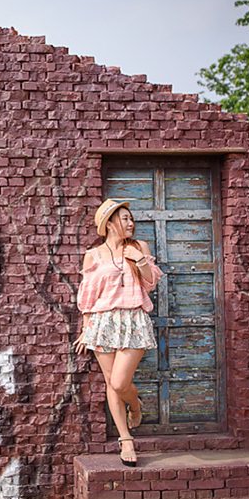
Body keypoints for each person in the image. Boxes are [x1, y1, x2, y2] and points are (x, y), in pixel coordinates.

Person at [75, 199, 163, 467]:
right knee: (110, 381)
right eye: (125, 219)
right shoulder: (94, 255)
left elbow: (150, 284)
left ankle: (135, 406)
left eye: (131, 219)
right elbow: (88, 295)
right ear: (110, 222)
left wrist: (139, 261)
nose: (131, 223)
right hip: (102, 322)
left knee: (119, 383)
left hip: (133, 318)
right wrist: (85, 329)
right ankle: (126, 440)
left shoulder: (138, 248)